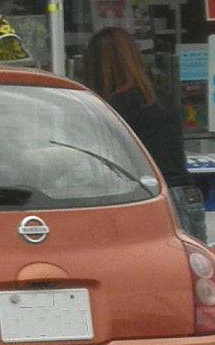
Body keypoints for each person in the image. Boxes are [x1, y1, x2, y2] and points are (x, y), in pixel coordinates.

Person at [83, 26, 199, 231]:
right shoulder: (161, 98)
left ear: (96, 66)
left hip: (145, 200)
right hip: (185, 194)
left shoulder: (109, 108)